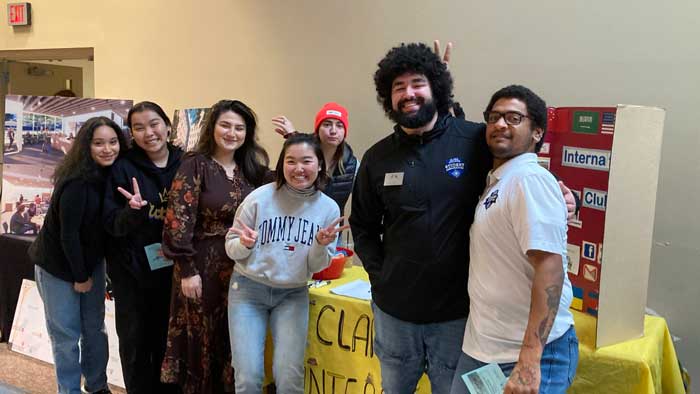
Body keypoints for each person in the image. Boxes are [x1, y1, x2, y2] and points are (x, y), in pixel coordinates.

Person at [349, 43, 576, 393]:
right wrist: (382, 277)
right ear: (387, 98)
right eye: (398, 87)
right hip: (394, 314)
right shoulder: (376, 157)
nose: (408, 94)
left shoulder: (475, 140)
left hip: (457, 319)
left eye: (417, 83)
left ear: (435, 88)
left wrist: (565, 197)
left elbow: (522, 172)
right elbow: (362, 226)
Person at [450, 86, 578, 394]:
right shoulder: (498, 182)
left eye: (514, 117)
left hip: (526, 355)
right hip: (483, 350)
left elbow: (549, 266)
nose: (500, 124)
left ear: (536, 132)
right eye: (494, 117)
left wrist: (529, 362)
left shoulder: (529, 180)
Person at [161, 99, 271, 393]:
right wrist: (186, 270)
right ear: (213, 127)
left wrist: (293, 139)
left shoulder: (251, 169)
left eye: (239, 127)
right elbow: (177, 219)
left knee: (233, 338)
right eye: (225, 125)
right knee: (204, 339)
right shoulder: (195, 164)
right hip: (202, 268)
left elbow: (296, 181)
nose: (232, 133)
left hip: (243, 269)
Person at [225, 132, 347, 393]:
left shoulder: (328, 209)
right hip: (248, 291)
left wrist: (320, 245)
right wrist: (244, 244)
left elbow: (316, 266)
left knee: (289, 377)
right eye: (291, 161)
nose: (299, 169)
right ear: (281, 164)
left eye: (306, 161)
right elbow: (231, 249)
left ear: (319, 165)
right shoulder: (258, 198)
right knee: (248, 377)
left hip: (292, 294)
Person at [28, 116, 127, 394]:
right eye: (99, 143)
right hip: (58, 267)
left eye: (112, 142)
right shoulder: (76, 182)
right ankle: (68, 390)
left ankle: (97, 386)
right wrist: (80, 276)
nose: (107, 149)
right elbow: (68, 235)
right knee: (67, 337)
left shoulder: (112, 176)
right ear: (86, 146)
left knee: (95, 330)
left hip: (90, 263)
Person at [103, 101, 184, 394]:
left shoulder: (186, 162)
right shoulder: (122, 168)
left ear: (167, 125)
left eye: (154, 124)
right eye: (139, 127)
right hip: (133, 274)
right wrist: (133, 211)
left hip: (175, 272)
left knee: (171, 343)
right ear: (132, 134)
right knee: (137, 345)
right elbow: (111, 223)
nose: (149, 132)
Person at [272, 102, 358, 222]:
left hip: (331, 232)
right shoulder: (304, 159)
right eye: (327, 124)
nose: (333, 131)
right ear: (317, 129)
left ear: (345, 132)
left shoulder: (352, 165)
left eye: (339, 126)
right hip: (297, 227)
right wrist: (293, 137)